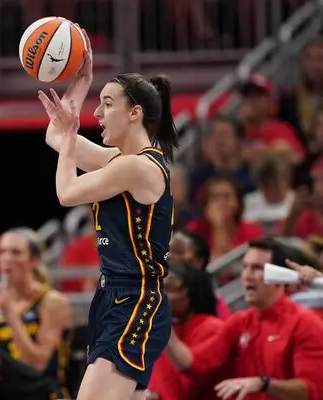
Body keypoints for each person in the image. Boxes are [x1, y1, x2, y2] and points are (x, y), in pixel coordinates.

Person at [38, 29, 177, 400]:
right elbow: (56, 137)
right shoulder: (119, 161)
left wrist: (69, 135)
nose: (96, 114)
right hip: (111, 296)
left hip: (137, 299)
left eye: (106, 104)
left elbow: (66, 192)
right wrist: (80, 81)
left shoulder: (139, 168)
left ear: (135, 113)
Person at [165, 239, 323, 399]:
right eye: (245, 267)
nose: (247, 275)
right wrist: (160, 318)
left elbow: (311, 391)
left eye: (257, 268)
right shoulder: (240, 322)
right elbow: (194, 364)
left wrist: (264, 384)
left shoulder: (305, 323)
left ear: (278, 276)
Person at [0, 228, 73, 398]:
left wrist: (10, 314)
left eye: (16, 252)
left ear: (34, 260)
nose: (7, 258)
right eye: (2, 252)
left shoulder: (52, 301)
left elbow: (38, 364)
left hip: (44, 391)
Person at [147, 264, 224, 400]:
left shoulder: (213, 328)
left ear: (192, 293)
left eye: (169, 289)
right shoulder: (161, 331)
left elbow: (191, 381)